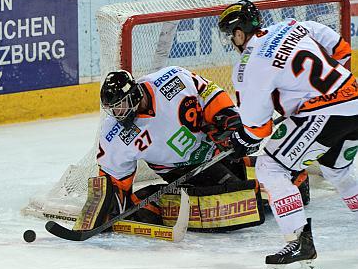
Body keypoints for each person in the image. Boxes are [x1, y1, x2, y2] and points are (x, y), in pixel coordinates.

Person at [218, 0, 356, 269]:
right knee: (336, 169)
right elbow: (341, 50)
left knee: (270, 166)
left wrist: (240, 141)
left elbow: (257, 129)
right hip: (355, 100)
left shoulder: (248, 66)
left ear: (239, 33)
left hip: (323, 114)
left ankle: (299, 246)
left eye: (230, 34)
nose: (231, 41)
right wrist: (329, 91)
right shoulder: (293, 26)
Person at [75, 68, 266, 234]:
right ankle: (148, 201)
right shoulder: (113, 135)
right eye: (113, 110)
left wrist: (228, 119)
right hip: (179, 169)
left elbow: (207, 92)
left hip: (214, 147)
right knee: (238, 196)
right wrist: (111, 208)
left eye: (120, 107)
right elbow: (113, 178)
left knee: (266, 173)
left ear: (133, 95)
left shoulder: (172, 79)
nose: (117, 115)